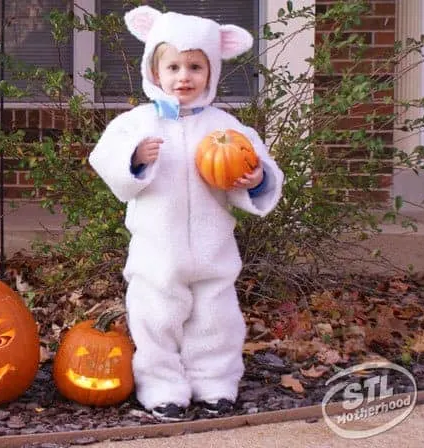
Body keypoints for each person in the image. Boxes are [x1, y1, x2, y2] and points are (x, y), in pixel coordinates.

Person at [88, 6, 284, 422]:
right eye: (173, 66)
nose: (184, 76)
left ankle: (215, 382)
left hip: (214, 249)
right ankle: (161, 386)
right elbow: (103, 158)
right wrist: (135, 158)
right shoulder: (137, 123)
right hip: (158, 252)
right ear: (154, 71)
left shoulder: (228, 128)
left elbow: (262, 169)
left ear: (211, 72)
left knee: (216, 319)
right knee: (155, 318)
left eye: (195, 66)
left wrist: (257, 180)